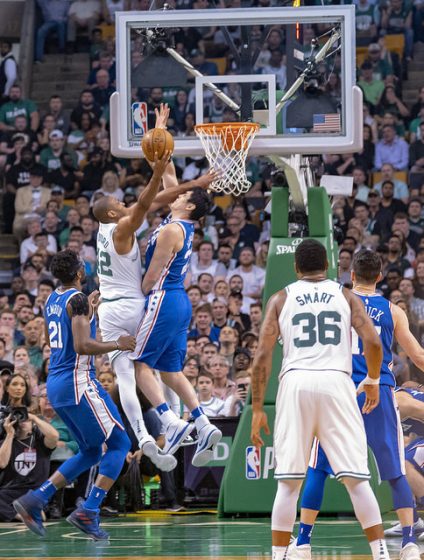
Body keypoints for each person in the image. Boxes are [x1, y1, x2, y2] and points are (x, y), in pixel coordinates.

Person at [250, 239, 391, 560]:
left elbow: (260, 359)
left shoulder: (280, 298)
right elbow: (373, 341)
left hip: (295, 382)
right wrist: (371, 379)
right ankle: (381, 553)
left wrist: (258, 408)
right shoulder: (345, 294)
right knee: (356, 479)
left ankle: (279, 555)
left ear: (296, 267)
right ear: (328, 265)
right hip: (336, 383)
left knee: (288, 483)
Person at [290, 249, 423, 560]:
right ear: (379, 276)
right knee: (394, 471)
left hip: (340, 392)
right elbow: (416, 356)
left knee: (318, 469)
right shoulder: (392, 310)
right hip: (379, 391)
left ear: (351, 275)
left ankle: (304, 543)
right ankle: (408, 544)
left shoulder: (336, 301)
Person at [13, 249, 135, 540]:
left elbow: (54, 338)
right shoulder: (77, 300)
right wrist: (117, 343)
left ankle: (36, 499)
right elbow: (81, 345)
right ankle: (89, 510)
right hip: (79, 381)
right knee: (120, 443)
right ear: (80, 272)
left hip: (56, 383)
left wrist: (88, 313)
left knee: (92, 451)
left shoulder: (53, 299)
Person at [129, 188, 223, 467]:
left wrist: (138, 293)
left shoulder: (172, 230)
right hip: (179, 300)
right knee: (171, 372)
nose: (177, 195)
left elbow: (151, 276)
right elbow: (172, 184)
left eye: (184, 196)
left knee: (140, 365)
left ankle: (169, 420)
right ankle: (203, 423)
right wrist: (163, 162)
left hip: (163, 297)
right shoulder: (182, 225)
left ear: (191, 206)